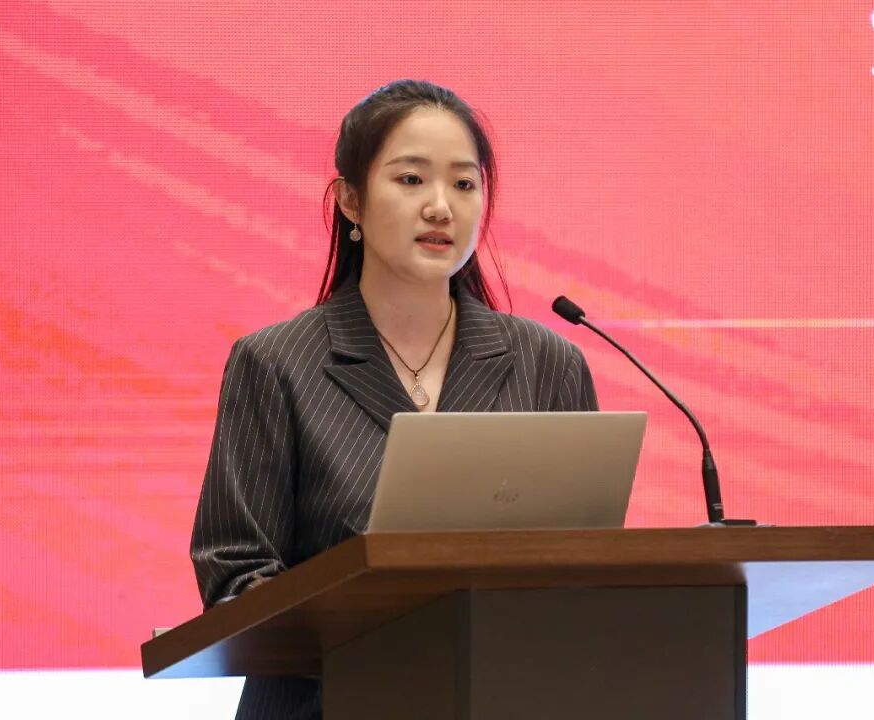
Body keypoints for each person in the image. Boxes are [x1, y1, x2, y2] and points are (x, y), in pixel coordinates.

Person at [189, 80, 598, 719]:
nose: (441, 207)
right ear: (350, 200)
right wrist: (379, 622)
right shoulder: (276, 364)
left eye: (464, 184)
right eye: (411, 180)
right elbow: (235, 575)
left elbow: (586, 565)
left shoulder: (548, 365)